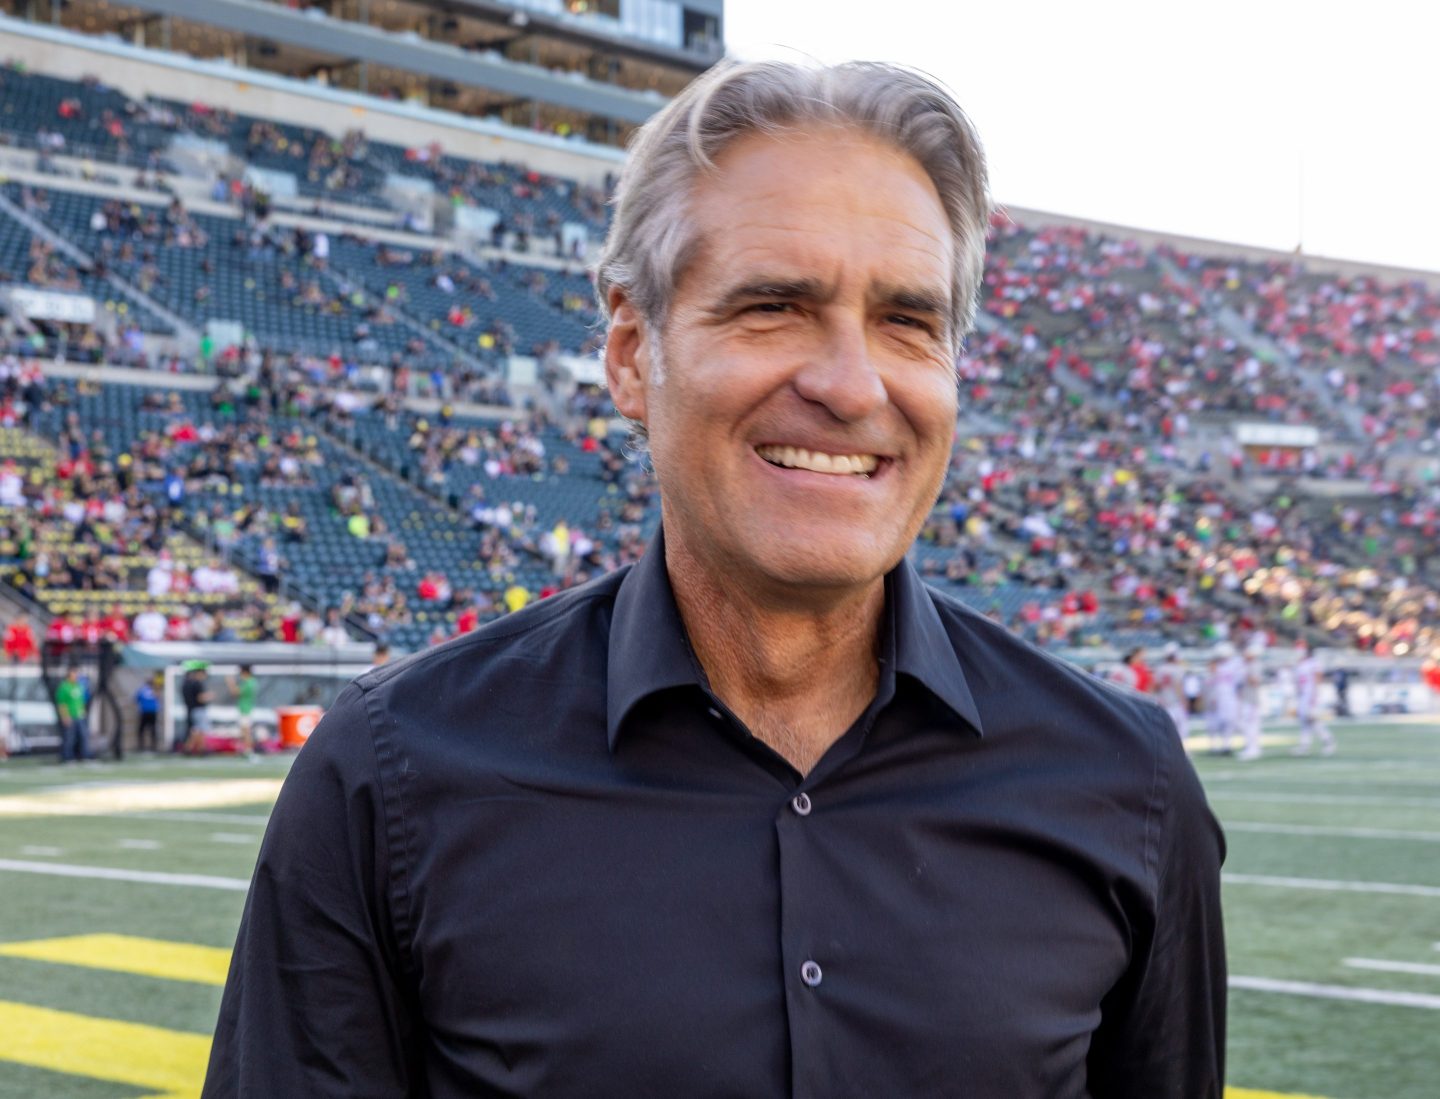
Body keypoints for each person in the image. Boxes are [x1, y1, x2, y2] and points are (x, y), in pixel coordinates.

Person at [205, 60, 1225, 1097]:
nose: (850, 384)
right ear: (630, 352)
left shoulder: (1127, 783)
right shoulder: (391, 774)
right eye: (774, 306)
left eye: (908, 322)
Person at [1291, 640, 1336, 756]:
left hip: (1310, 695)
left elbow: (1318, 679)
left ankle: (1327, 741)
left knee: (1312, 720)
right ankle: (1305, 745)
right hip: (1303, 696)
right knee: (1306, 721)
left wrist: (1315, 695)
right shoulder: (1300, 664)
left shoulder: (1314, 663)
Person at [1154, 641, 1190, 741]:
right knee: (1182, 729)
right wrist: (1184, 701)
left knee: (1166, 730)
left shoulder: (1160, 669)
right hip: (1175, 702)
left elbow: (1156, 686)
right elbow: (1178, 687)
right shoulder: (1178, 669)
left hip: (1164, 702)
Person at [55, 665, 89, 763]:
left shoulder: (79, 686)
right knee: (69, 738)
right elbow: (61, 703)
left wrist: (83, 711)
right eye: (74, 674)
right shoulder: (64, 687)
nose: (76, 676)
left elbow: (82, 701)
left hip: (80, 715)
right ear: (69, 675)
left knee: (84, 736)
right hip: (70, 716)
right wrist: (65, 716)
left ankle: (85, 756)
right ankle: (67, 757)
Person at [180, 662, 212, 755]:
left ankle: (192, 748)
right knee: (199, 730)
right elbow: (200, 698)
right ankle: (199, 749)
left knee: (196, 730)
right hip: (198, 710)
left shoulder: (188, 683)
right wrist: (209, 696)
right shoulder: (197, 684)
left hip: (192, 710)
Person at [229, 664, 258, 760]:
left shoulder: (248, 682)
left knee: (246, 732)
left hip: (245, 710)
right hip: (245, 709)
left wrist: (231, 682)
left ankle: (249, 751)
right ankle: (244, 750)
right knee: (244, 731)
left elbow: (235, 692)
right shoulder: (251, 682)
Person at [135, 674, 160, 752]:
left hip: (146, 711)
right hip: (151, 712)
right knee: (151, 729)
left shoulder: (143, 690)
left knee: (143, 730)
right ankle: (152, 746)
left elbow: (136, 699)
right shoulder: (154, 690)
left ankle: (142, 746)